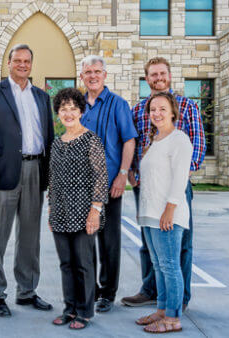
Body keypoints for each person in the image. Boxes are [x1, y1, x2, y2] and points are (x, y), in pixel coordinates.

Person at [0, 44, 56, 317]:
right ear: (8, 63)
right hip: (2, 175)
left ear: (31, 64)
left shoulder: (42, 98)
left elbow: (49, 139)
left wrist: (49, 178)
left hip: (35, 170)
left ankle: (27, 291)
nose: (23, 64)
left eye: (27, 61)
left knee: (30, 237)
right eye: (17, 60)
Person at [123, 57, 206, 311]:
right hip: (146, 186)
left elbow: (198, 145)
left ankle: (178, 299)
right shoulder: (138, 110)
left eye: (162, 73)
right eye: (152, 74)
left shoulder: (187, 106)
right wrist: (132, 172)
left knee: (179, 241)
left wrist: (183, 175)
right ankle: (151, 291)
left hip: (175, 186)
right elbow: (135, 144)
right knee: (149, 242)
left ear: (169, 75)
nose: (158, 78)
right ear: (146, 78)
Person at [78, 55, 138, 313]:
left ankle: (107, 293)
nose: (93, 76)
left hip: (110, 183)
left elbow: (129, 140)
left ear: (105, 75)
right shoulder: (76, 105)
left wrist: (123, 174)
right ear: (81, 76)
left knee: (109, 241)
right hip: (80, 185)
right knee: (85, 240)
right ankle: (90, 290)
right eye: (88, 72)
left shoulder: (118, 104)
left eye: (97, 71)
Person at [47, 87, 108, 331]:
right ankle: (69, 308)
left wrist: (95, 210)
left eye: (73, 109)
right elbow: (52, 179)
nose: (68, 113)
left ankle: (84, 311)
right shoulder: (56, 143)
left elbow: (101, 177)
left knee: (84, 263)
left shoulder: (91, 139)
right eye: (64, 109)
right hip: (60, 212)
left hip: (84, 212)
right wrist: (51, 210)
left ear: (81, 111)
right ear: (58, 114)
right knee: (66, 263)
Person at [135, 92, 192, 334]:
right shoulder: (155, 140)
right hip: (149, 213)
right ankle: (161, 310)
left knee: (170, 265)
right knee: (158, 265)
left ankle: (172, 318)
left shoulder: (179, 139)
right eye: (152, 110)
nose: (156, 113)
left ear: (172, 113)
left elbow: (180, 178)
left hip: (167, 214)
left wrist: (170, 209)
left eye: (161, 109)